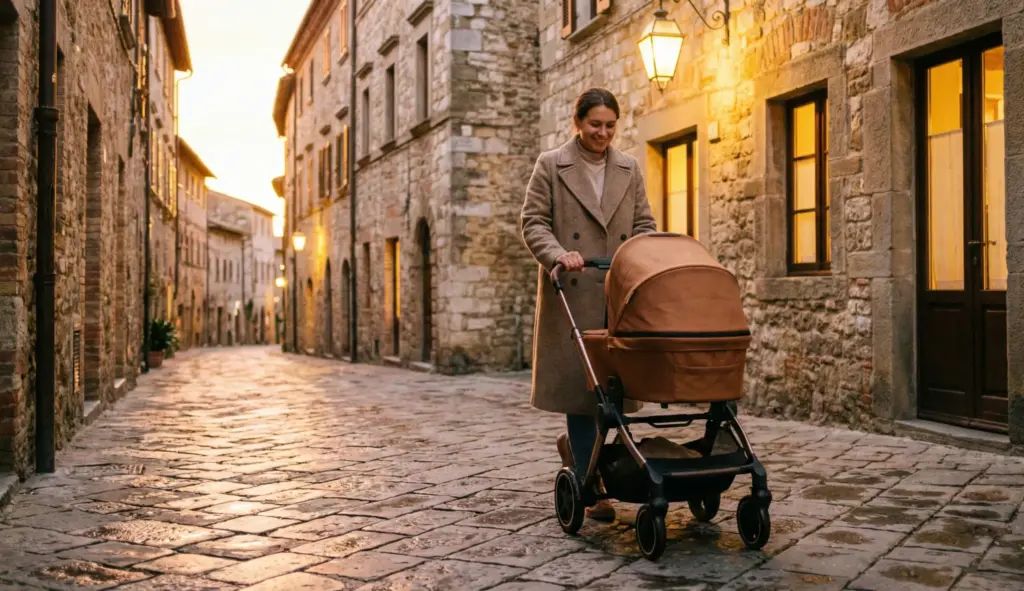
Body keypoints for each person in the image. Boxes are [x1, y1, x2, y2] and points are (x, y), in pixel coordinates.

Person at [521, 88, 657, 522]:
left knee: (613, 392)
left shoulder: (629, 168)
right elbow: (533, 222)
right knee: (583, 394)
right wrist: (558, 254)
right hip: (574, 290)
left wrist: (642, 258)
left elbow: (644, 223)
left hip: (617, 292)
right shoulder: (551, 165)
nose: (603, 132)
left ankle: (587, 456)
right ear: (577, 122)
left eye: (610, 125)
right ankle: (589, 482)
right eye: (595, 124)